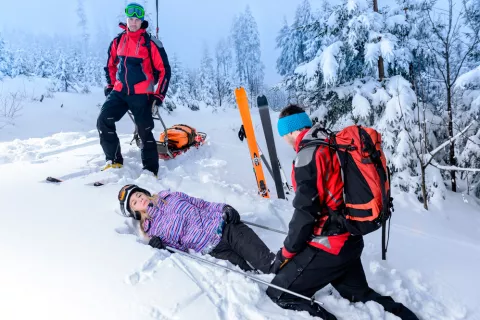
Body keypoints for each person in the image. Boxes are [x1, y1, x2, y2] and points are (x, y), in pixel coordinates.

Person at [266, 105, 419, 320]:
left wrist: (286, 253)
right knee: (360, 295)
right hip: (350, 241)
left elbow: (304, 213)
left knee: (280, 294)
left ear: (291, 130)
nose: (284, 140)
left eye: (283, 134)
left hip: (329, 246)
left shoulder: (307, 155)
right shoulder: (331, 141)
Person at [117, 184, 276, 274]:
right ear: (134, 211)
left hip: (226, 229)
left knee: (267, 264)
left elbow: (202, 204)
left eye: (138, 195)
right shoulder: (152, 229)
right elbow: (181, 249)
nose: (140, 200)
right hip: (216, 251)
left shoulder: (171, 197)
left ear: (144, 193)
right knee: (251, 277)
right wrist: (163, 248)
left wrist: (225, 208)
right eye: (134, 202)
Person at [97, 2, 171, 176]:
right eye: (131, 19)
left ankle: (150, 170)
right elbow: (110, 65)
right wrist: (110, 85)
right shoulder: (118, 40)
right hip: (120, 92)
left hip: (141, 95)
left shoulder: (151, 43)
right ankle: (114, 161)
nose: (133, 22)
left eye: (137, 19)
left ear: (142, 20)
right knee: (103, 120)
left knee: (144, 131)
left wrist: (158, 96)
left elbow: (164, 71)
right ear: (126, 19)